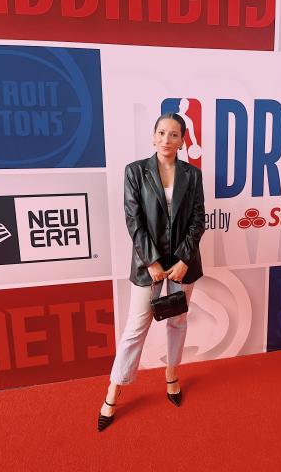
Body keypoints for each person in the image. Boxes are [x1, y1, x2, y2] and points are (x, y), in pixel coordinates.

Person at [97, 112, 205, 432]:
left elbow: (198, 219)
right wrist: (153, 262)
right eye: (161, 133)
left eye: (174, 135)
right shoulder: (135, 172)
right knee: (135, 329)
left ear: (183, 141)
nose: (166, 140)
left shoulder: (193, 175)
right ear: (152, 136)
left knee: (178, 321)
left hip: (184, 265)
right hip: (149, 266)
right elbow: (134, 221)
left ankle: (172, 375)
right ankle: (113, 390)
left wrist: (184, 258)